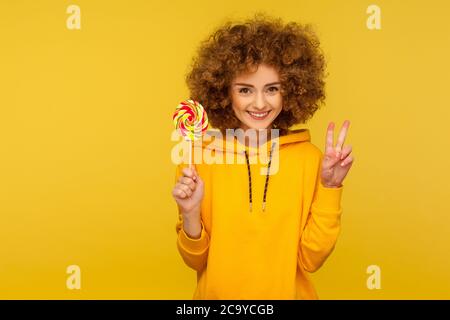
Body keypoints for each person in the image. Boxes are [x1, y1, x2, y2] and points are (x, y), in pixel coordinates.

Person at [171, 15, 354, 299]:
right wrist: (190, 211)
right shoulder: (197, 160)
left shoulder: (309, 159)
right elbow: (195, 260)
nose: (259, 103)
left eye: (272, 89)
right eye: (245, 90)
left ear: (291, 90)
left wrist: (330, 187)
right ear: (223, 92)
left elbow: (311, 260)